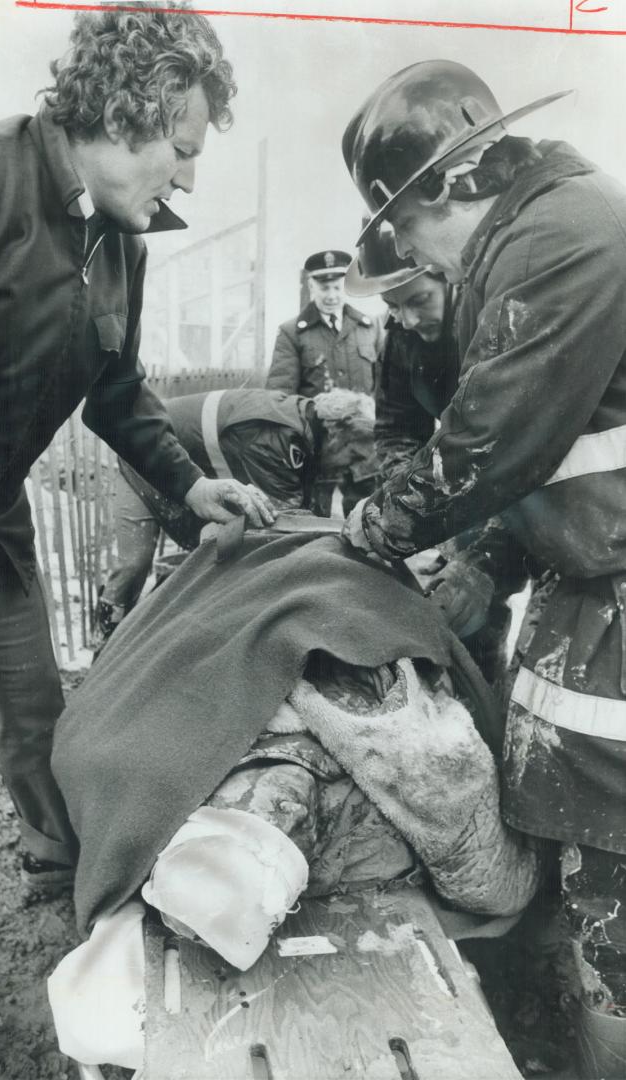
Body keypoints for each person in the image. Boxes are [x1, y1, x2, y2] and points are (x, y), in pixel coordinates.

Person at [0, 8, 273, 1074]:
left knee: (39, 727)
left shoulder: (116, 242)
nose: (191, 181)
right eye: (184, 148)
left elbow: (117, 393)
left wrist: (189, 484)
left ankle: (69, 904)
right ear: (125, 112)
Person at [341, 59, 626, 1077]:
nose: (428, 269)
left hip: (614, 609)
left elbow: (489, 441)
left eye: (410, 239)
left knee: (612, 866)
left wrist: (369, 532)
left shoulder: (556, 236)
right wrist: (488, 552)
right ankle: (569, 1006)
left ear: (448, 188)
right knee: (576, 838)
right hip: (587, 586)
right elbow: (565, 460)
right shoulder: (546, 230)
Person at [345, 225, 527, 688]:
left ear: (449, 279)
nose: (405, 319)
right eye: (391, 306)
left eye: (418, 301)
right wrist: (416, 521)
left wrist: (483, 562)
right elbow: (395, 431)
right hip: (455, 490)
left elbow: (520, 455)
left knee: (478, 619)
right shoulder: (400, 340)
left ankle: (487, 715)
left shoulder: (498, 320)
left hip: (526, 496)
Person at [92, 384, 378, 653]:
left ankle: (156, 636)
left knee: (211, 549)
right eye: (353, 455)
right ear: (337, 431)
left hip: (189, 472)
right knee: (134, 564)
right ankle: (103, 647)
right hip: (145, 458)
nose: (352, 468)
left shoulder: (308, 430)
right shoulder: (274, 437)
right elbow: (282, 523)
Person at [265, 250, 383, 515]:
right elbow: (279, 398)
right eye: (323, 287)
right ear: (311, 286)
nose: (331, 295)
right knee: (316, 527)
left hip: (365, 452)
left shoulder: (369, 328)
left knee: (368, 521)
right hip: (319, 452)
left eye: (337, 286)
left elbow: (385, 391)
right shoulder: (292, 333)